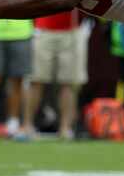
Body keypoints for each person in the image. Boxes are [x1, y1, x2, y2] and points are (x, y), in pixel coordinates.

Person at [22, 9, 85, 140]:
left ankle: (65, 128)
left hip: (72, 30)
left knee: (68, 82)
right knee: (36, 80)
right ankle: (27, 126)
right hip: (43, 29)